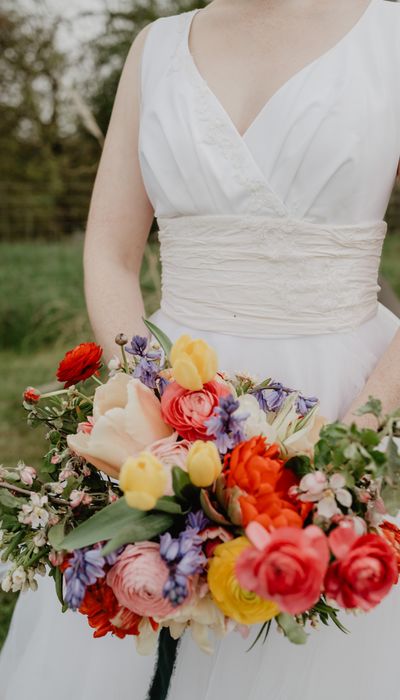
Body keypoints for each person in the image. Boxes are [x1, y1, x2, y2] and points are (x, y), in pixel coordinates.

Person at [1, 0, 400, 697]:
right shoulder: (156, 49)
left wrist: (357, 431)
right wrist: (147, 404)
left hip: (354, 394)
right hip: (175, 397)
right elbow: (110, 251)